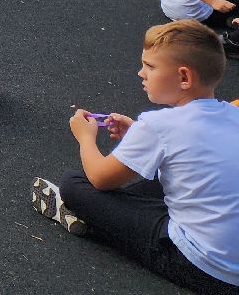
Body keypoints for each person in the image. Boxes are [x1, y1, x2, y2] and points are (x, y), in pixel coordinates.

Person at [30, 20, 239, 294]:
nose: (141, 73)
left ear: (184, 78)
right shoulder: (232, 114)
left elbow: (100, 178)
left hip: (206, 268)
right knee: (162, 179)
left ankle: (95, 223)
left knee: (74, 184)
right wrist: (136, 137)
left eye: (150, 66)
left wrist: (85, 138)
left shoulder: (158, 125)